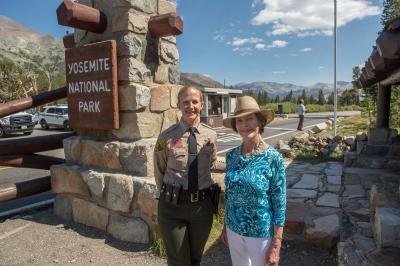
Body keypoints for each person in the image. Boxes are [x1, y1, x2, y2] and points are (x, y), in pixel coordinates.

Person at [154, 85, 225, 266]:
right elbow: (159, 171)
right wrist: (169, 195)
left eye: (195, 102)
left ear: (202, 104)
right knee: (178, 261)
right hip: (173, 207)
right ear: (178, 105)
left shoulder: (211, 135)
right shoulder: (165, 138)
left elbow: (212, 163)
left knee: (195, 258)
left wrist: (235, 164)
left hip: (202, 207)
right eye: (186, 102)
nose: (190, 106)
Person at [219, 96, 286, 266]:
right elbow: (230, 195)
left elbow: (280, 203)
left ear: (260, 122)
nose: (244, 124)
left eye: (250, 118)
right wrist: (225, 226)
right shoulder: (231, 155)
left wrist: (276, 245)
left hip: (260, 233)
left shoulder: (273, 158)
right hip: (233, 229)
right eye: (239, 120)